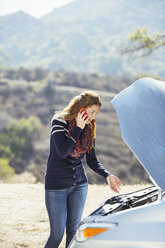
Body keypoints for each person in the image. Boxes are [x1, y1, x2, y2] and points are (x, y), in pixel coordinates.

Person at [44, 90, 122, 248]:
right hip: (57, 185)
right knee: (56, 235)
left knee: (73, 232)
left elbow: (92, 160)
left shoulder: (90, 127)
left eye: (96, 114)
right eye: (92, 112)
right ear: (81, 108)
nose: (93, 117)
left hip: (79, 185)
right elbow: (61, 153)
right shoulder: (59, 121)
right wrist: (78, 128)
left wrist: (107, 175)